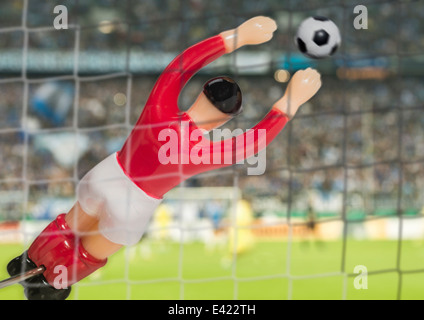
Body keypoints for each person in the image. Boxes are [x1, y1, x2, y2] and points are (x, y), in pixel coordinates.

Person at [6, 16, 321, 300]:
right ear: (226, 121)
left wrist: (235, 37)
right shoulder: (203, 151)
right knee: (90, 252)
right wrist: (287, 103)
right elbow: (254, 142)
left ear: (201, 93)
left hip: (110, 173)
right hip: (135, 204)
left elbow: (182, 64)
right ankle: (51, 287)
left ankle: (30, 259)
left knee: (69, 225)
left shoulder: (160, 109)